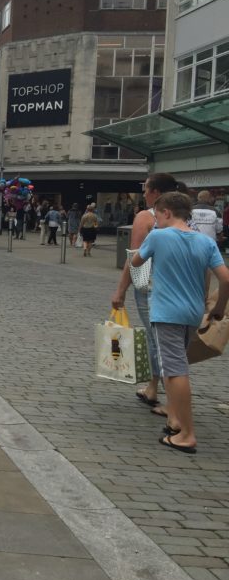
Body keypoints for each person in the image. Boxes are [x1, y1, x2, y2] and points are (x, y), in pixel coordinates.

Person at [128, 191, 228, 453]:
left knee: (174, 371)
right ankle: (174, 421)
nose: (157, 220)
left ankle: (186, 433)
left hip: (166, 312)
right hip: (193, 312)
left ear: (167, 213)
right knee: (178, 364)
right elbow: (225, 278)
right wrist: (217, 308)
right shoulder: (205, 242)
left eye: (158, 215)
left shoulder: (159, 236)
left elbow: (136, 261)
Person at [110, 173, 179, 412]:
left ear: (156, 193)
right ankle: (153, 387)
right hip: (180, 288)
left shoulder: (145, 217)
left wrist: (120, 291)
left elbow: (134, 258)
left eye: (146, 188)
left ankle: (171, 402)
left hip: (151, 287)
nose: (143, 193)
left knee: (157, 341)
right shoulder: (183, 217)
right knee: (170, 342)